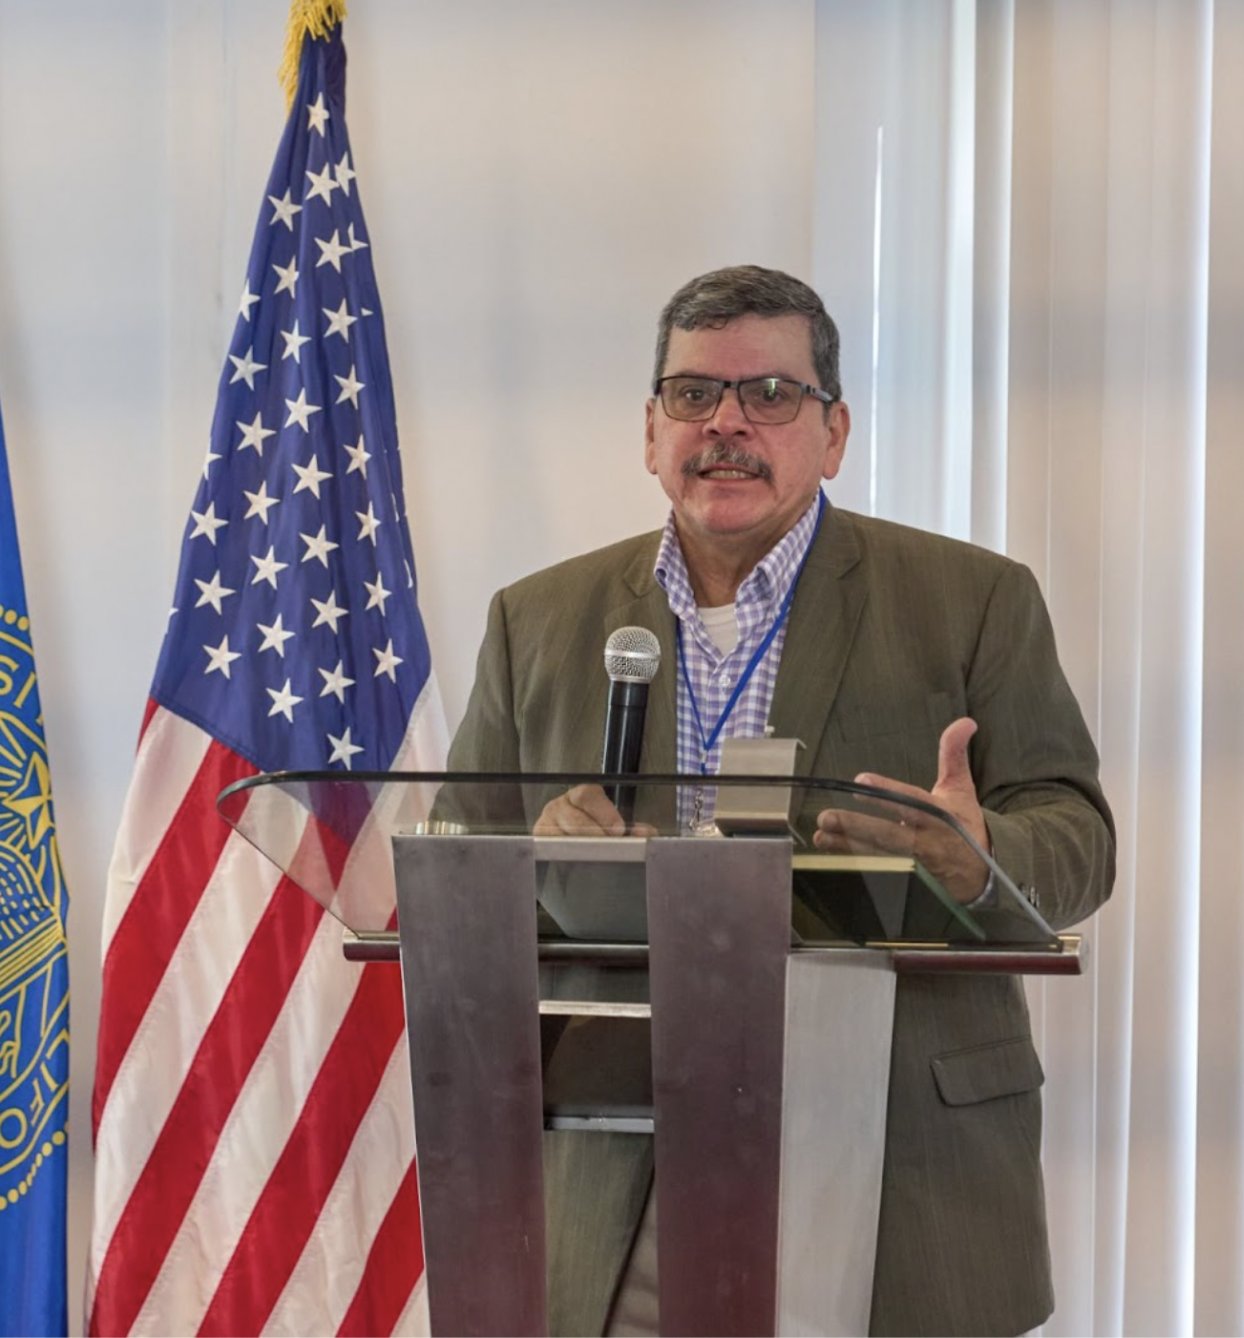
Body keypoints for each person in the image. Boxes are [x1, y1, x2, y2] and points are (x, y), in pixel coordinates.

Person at [444, 265, 1116, 1336]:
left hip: (899, 1157)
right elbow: (453, 864)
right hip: (627, 1152)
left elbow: (1079, 838)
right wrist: (533, 848)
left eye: (770, 396)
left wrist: (978, 856)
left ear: (833, 431)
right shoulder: (538, 619)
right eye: (694, 394)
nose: (727, 425)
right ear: (650, 429)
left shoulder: (974, 600)